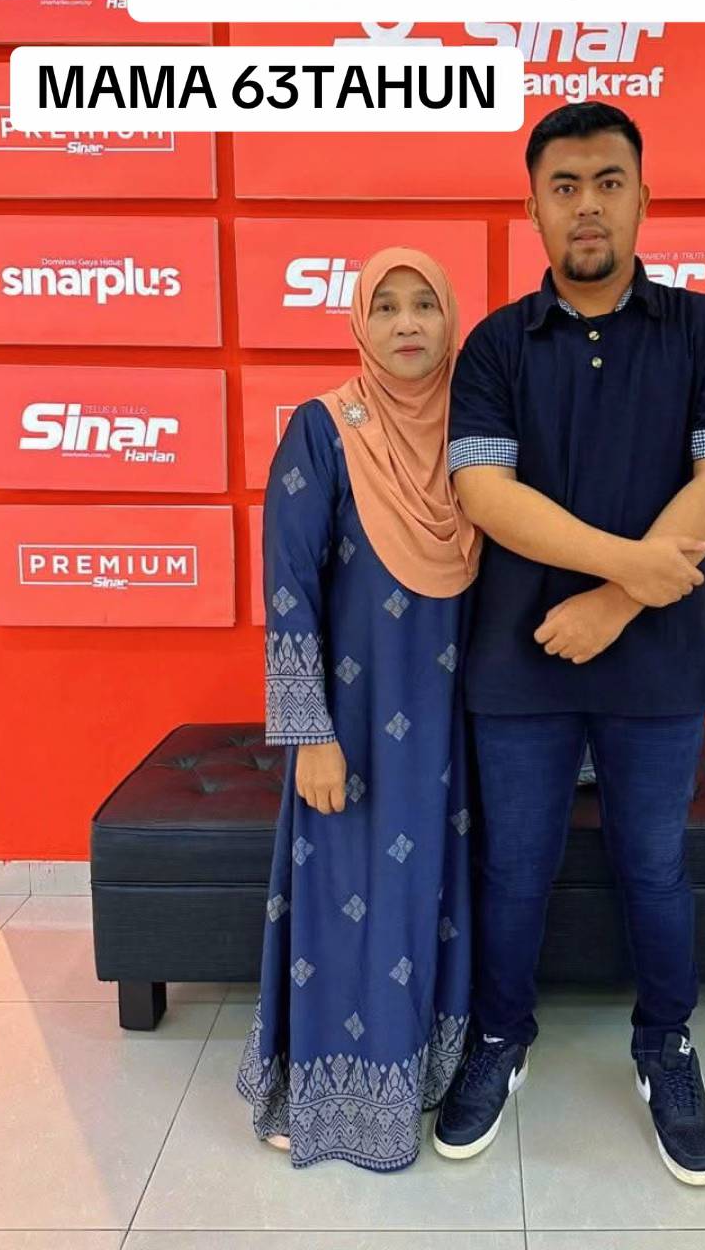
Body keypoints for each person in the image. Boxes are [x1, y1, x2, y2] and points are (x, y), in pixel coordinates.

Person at [433, 101, 705, 1186]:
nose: (587, 204)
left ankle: (665, 1044)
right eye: (564, 185)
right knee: (514, 868)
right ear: (532, 207)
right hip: (518, 661)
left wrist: (616, 604)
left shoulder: (703, 330)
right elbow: (487, 495)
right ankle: (499, 1039)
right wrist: (633, 568)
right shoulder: (495, 345)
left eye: (608, 182)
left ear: (643, 199)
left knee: (654, 865)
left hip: (658, 663)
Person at [236, 246, 481, 1172]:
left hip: (455, 723)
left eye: (425, 303)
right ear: (359, 324)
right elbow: (289, 589)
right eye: (387, 306)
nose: (408, 323)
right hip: (353, 722)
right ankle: (325, 1091)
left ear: (451, 319)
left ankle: (425, 1075)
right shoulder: (323, 430)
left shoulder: (478, 435)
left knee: (435, 899)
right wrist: (311, 736)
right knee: (343, 903)